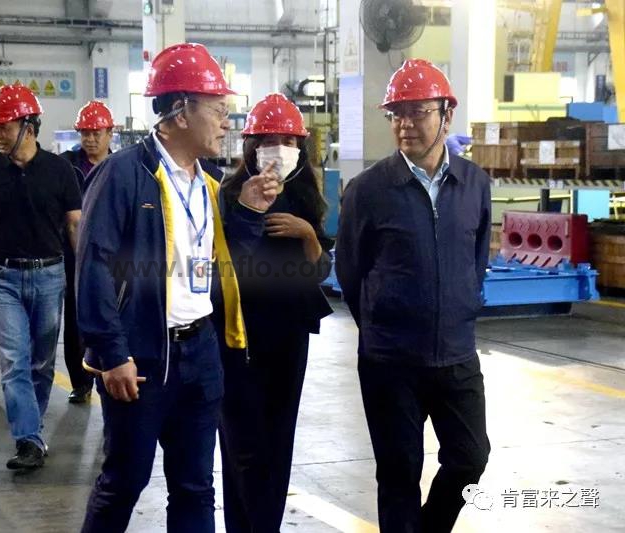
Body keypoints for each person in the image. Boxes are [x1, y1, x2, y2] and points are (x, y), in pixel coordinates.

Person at [77, 43, 279, 533]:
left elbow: (223, 259)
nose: (227, 122)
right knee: (125, 480)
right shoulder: (124, 174)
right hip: (143, 358)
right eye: (218, 110)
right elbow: (94, 266)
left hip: (201, 352)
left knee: (195, 487)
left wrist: (249, 212)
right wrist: (112, 353)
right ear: (182, 111)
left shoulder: (209, 182)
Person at [336, 59, 492, 533]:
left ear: (446, 114)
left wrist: (460, 307)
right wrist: (383, 323)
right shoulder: (367, 190)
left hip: (457, 354)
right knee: (398, 473)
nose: (405, 124)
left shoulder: (474, 184)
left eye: (418, 112)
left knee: (470, 457)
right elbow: (350, 271)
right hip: (391, 361)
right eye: (397, 114)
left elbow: (476, 258)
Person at [217, 92, 334, 532]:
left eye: (289, 141)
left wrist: (308, 235)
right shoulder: (229, 195)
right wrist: (248, 214)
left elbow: (320, 270)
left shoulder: (305, 197)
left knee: (278, 439)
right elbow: (222, 267)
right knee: (242, 444)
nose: (280, 149)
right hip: (239, 335)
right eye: (269, 140)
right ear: (251, 145)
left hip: (289, 335)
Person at [0, 85, 82, 470]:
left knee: (42, 362)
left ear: (29, 128)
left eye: (5, 127)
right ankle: (28, 439)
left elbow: (74, 225)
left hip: (49, 276)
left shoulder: (60, 170)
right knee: (14, 360)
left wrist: (85, 274)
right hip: (2, 277)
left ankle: (32, 425)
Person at [58, 100, 114, 403]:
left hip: (112, 253)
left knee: (111, 314)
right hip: (73, 253)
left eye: (96, 133)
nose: (90, 139)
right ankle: (80, 382)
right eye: (85, 133)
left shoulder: (120, 166)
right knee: (76, 318)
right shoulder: (66, 166)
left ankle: (109, 369)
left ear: (110, 133)